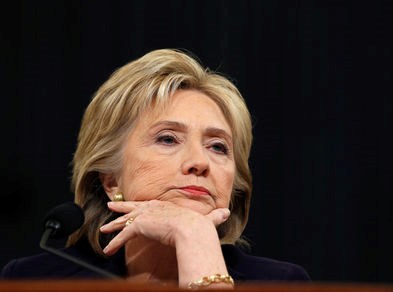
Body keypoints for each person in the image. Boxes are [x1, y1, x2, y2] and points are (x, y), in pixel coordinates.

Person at [1, 49, 310, 288]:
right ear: (110, 180)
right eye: (167, 139)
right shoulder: (36, 279)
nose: (199, 162)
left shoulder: (282, 284)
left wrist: (194, 239)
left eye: (218, 146)